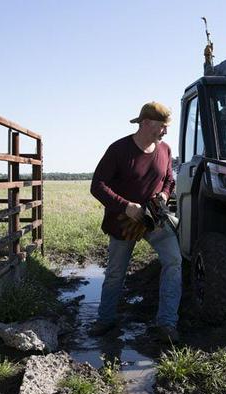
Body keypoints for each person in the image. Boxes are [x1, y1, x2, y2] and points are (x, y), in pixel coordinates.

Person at [89, 101, 181, 342]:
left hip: (155, 219)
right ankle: (106, 320)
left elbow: (169, 180)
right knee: (116, 273)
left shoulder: (166, 150)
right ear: (146, 123)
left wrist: (163, 195)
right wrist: (126, 206)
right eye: (162, 126)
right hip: (124, 221)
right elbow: (97, 185)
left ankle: (167, 323)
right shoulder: (118, 150)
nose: (165, 132)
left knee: (174, 261)